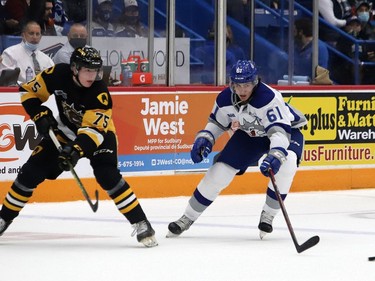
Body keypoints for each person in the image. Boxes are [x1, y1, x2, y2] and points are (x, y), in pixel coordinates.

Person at [0, 46, 158, 248]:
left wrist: (75, 152)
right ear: (74, 68)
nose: (93, 76)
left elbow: (92, 132)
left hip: (99, 135)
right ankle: (4, 218)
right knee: (30, 172)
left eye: (96, 71)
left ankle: (141, 222)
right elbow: (28, 91)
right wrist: (39, 114)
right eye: (88, 70)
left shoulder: (100, 93)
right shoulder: (57, 74)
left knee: (107, 175)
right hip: (65, 131)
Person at [167, 60, 307, 239]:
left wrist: (276, 154)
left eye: (247, 85)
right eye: (238, 85)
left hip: (287, 131)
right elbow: (216, 124)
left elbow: (279, 133)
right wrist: (205, 138)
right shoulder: (224, 98)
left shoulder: (268, 98)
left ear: (255, 82)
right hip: (251, 134)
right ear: (231, 83)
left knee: (288, 165)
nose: (242, 90)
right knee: (218, 172)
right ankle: (187, 218)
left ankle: (268, 215)